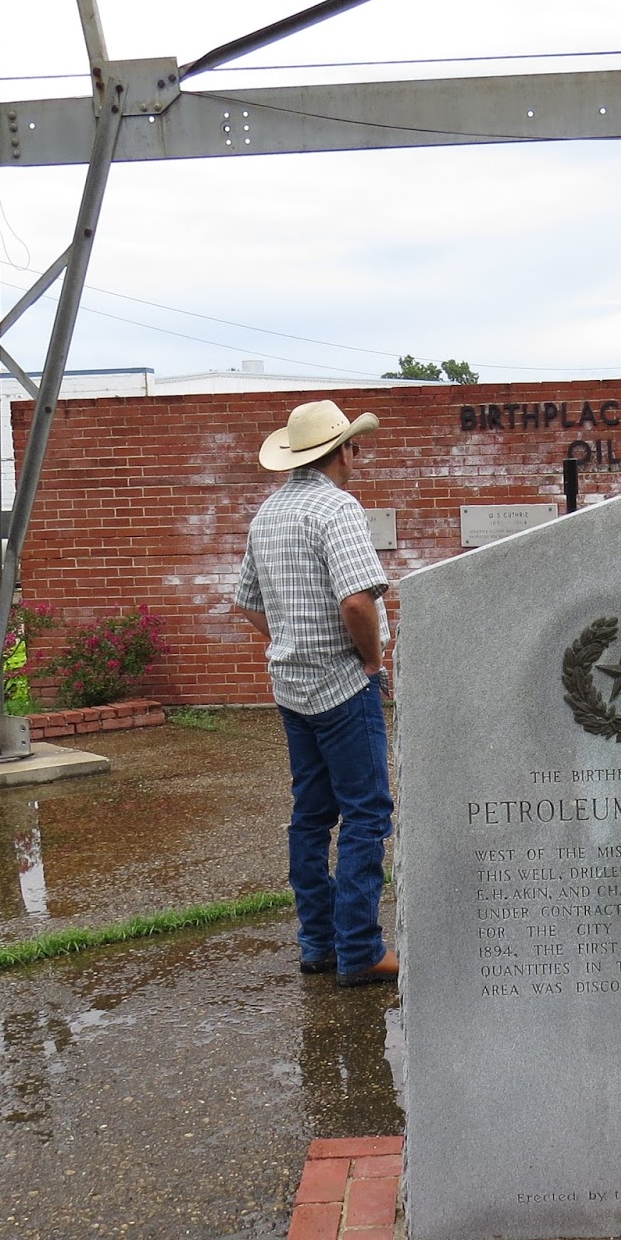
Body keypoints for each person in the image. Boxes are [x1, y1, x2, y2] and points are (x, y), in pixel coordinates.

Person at [234, 399, 398, 988]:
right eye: (355, 446)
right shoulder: (338, 509)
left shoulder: (268, 515)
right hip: (342, 685)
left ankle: (318, 944)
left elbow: (248, 604)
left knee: (310, 818)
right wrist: (373, 661)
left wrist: (291, 639)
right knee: (366, 813)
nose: (358, 456)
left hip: (290, 686)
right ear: (343, 450)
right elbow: (357, 601)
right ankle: (359, 951)